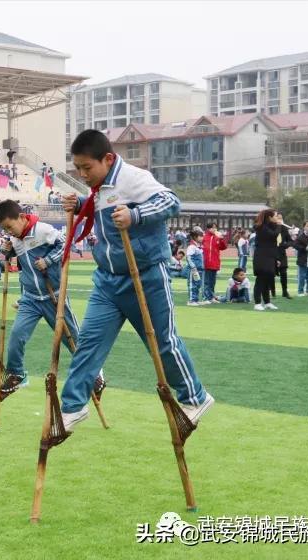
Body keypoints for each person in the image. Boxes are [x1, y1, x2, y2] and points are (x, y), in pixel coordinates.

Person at [57, 129, 212, 434]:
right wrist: (81, 204)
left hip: (146, 276)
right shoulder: (100, 186)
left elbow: (171, 201)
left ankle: (195, 398)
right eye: (78, 169)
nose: (83, 175)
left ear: (108, 159)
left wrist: (135, 215)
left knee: (163, 343)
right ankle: (72, 408)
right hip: (107, 280)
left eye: (87, 168)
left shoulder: (132, 177)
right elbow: (101, 206)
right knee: (88, 344)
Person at [0, 199, 106, 401]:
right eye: (5, 229)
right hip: (30, 298)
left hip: (53, 296)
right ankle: (16, 374)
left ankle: (96, 374)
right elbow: (11, 253)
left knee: (73, 339)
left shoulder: (42, 230)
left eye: (9, 227)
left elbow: (66, 244)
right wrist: (6, 249)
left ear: (21, 217)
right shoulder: (16, 238)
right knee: (17, 336)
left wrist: (48, 260)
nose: (9, 232)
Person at [252, 209, 279, 311]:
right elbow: (273, 235)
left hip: (270, 255)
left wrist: (276, 258)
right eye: (275, 216)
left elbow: (274, 242)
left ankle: (267, 302)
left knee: (268, 280)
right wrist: (279, 226)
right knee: (260, 279)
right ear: (270, 217)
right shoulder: (261, 227)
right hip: (262, 256)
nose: (277, 218)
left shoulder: (270, 226)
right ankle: (257, 303)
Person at [201, 222, 227, 303]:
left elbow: (224, 247)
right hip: (206, 263)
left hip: (215, 263)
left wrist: (221, 238)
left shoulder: (217, 237)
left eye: (215, 228)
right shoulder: (204, 237)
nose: (215, 229)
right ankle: (206, 297)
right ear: (208, 229)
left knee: (212, 282)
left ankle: (211, 297)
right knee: (206, 282)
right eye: (213, 228)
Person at [293, 221, 308, 297]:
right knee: (302, 276)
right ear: (304, 227)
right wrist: (304, 248)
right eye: (307, 226)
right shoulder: (300, 237)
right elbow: (295, 245)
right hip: (302, 260)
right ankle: (300, 291)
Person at [274, 213, 292, 299]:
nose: (279, 220)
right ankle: (272, 292)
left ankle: (285, 291)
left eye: (281, 218)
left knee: (284, 273)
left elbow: (290, 241)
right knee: (271, 273)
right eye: (278, 218)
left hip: (282, 253)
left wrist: (286, 245)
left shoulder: (284, 229)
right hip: (272, 253)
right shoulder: (270, 228)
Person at [185, 229, 204, 305]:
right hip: (194, 270)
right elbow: (188, 258)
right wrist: (193, 267)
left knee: (197, 284)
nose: (202, 238)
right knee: (192, 284)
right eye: (200, 236)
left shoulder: (198, 246)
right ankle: (191, 300)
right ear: (195, 237)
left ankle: (195, 299)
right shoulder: (192, 247)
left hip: (199, 269)